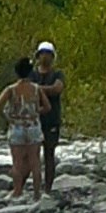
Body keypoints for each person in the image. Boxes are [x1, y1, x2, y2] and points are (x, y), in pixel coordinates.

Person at [0, 59, 44, 199]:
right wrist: (37, 111)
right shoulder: (36, 88)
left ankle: (17, 191)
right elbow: (47, 107)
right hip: (33, 126)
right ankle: (37, 193)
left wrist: (8, 116)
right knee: (35, 162)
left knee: (17, 162)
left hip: (16, 128)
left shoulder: (11, 89)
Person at [31, 42, 65, 185]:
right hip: (34, 120)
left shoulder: (58, 74)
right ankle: (36, 186)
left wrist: (37, 89)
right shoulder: (31, 74)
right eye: (42, 54)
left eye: (48, 54)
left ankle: (48, 187)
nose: (45, 57)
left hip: (52, 120)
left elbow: (57, 89)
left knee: (49, 154)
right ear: (38, 56)